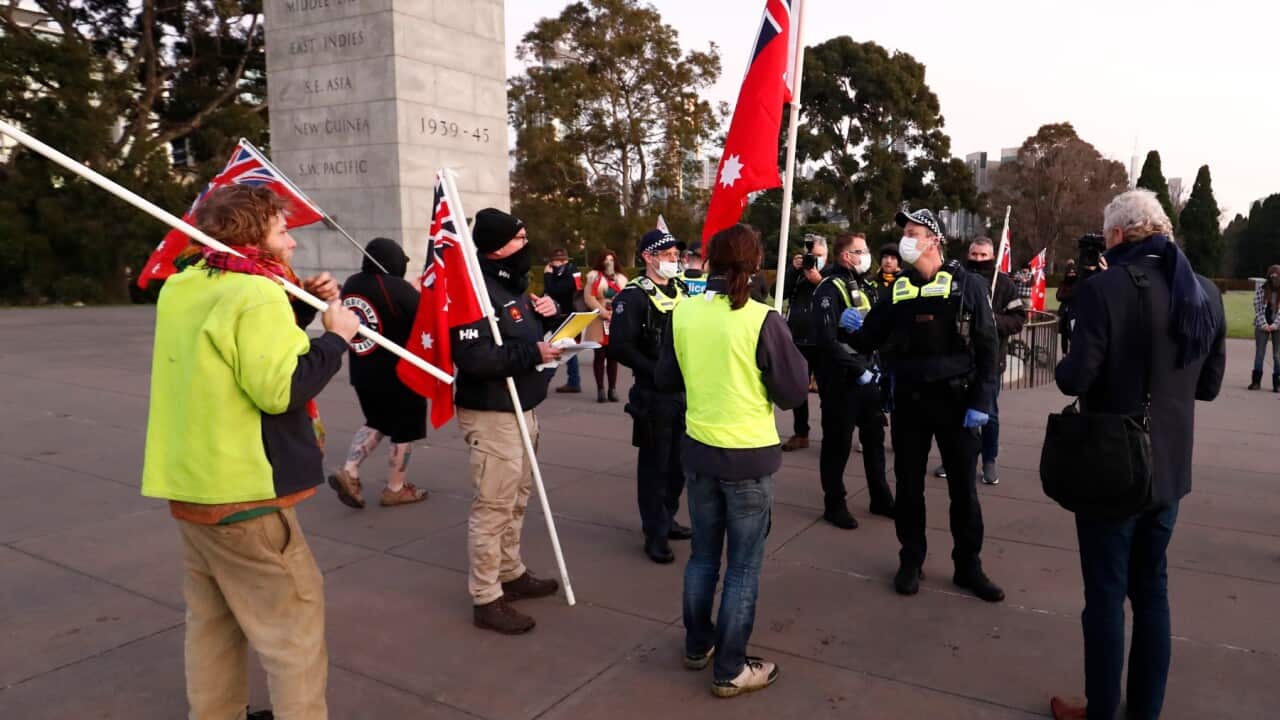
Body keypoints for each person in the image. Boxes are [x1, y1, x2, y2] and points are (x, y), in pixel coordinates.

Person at [141, 184, 361, 719]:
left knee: (213, 623)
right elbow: (280, 388)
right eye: (282, 231)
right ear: (252, 235)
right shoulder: (253, 293)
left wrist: (290, 303)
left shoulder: (184, 285)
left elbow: (232, 348)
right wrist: (335, 336)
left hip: (191, 484)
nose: (291, 243)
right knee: (294, 629)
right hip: (247, 493)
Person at [1049, 189, 1226, 720]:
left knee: (1105, 595)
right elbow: (1210, 386)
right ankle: (1144, 712)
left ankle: (1103, 711)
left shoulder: (1104, 290)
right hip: (1169, 467)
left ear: (1120, 235)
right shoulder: (1206, 293)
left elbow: (1073, 379)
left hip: (1112, 467)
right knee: (1151, 591)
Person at [656, 223, 808, 698]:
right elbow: (792, 393)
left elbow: (667, 376)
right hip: (747, 458)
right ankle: (730, 667)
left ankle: (698, 646)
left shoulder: (683, 312)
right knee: (742, 567)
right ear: (755, 262)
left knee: (703, 556)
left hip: (700, 450)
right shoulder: (763, 319)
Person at [839, 208, 1005, 603]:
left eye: (913, 233)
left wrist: (982, 400)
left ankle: (969, 566)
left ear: (934, 239)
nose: (905, 241)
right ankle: (911, 559)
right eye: (905, 234)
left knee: (963, 490)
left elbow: (988, 347)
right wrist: (850, 328)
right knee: (909, 487)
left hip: (958, 402)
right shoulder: (897, 289)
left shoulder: (967, 285)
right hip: (911, 402)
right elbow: (870, 338)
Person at [452, 208, 565, 635]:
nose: (526, 245)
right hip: (491, 411)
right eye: (519, 239)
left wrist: (549, 315)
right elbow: (474, 357)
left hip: (524, 406)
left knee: (517, 497)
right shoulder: (474, 289)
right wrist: (532, 353)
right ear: (496, 247)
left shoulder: (510, 286)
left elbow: (523, 333)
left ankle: (509, 570)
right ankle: (486, 595)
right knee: (494, 505)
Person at [610, 229, 693, 564]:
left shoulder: (683, 290)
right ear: (648, 256)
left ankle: (667, 516)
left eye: (676, 254)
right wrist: (656, 371)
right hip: (654, 394)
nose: (675, 259)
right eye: (668, 253)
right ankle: (654, 531)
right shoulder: (633, 297)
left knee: (680, 465)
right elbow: (620, 346)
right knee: (655, 466)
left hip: (686, 392)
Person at [328, 237, 429, 509]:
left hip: (363, 370)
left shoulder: (353, 284)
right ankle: (396, 488)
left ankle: (350, 471)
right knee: (405, 428)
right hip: (400, 374)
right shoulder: (397, 287)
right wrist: (416, 292)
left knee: (377, 421)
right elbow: (422, 316)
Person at [810, 232, 894, 527]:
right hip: (841, 379)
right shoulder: (828, 288)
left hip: (868, 374)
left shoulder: (866, 285)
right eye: (861, 251)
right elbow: (826, 339)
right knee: (838, 442)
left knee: (874, 438)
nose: (866, 255)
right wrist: (857, 369)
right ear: (846, 256)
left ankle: (880, 496)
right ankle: (834, 502)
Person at [964, 236, 1026, 485]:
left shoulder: (1004, 285)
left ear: (992, 255)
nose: (978, 259)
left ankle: (989, 459)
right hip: (959, 359)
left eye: (983, 255)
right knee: (958, 413)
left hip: (990, 360)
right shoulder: (960, 280)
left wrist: (990, 321)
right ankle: (959, 458)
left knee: (988, 413)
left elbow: (1018, 319)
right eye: (974, 254)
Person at [780, 235, 828, 452]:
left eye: (819, 256)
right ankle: (801, 433)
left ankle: (832, 434)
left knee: (828, 390)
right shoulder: (798, 274)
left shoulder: (831, 275)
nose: (814, 260)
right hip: (798, 338)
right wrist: (793, 270)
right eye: (811, 256)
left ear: (827, 256)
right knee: (798, 389)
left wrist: (819, 280)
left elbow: (837, 295)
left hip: (823, 339)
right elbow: (778, 292)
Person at [584, 249, 627, 403]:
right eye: (606, 260)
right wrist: (602, 311)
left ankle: (612, 389)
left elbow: (625, 297)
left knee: (613, 356)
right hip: (598, 320)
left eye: (611, 260)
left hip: (615, 319)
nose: (609, 263)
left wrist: (616, 312)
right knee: (600, 355)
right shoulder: (593, 277)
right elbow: (589, 297)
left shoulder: (621, 279)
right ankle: (600, 389)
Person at [544, 247, 583, 394]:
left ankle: (547, 378)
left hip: (564, 315)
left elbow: (554, 290)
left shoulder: (568, 274)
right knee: (565, 346)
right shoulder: (566, 272)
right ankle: (574, 380)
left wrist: (547, 276)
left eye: (560, 260)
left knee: (559, 347)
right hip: (562, 315)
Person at [1249, 265, 1280, 391]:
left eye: (1277, 276)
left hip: (1278, 326)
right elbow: (1257, 307)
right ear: (1269, 276)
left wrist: (1275, 324)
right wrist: (1264, 324)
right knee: (1259, 353)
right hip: (1262, 326)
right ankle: (1256, 382)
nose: (1274, 278)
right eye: (1272, 276)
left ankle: (1277, 384)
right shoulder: (1262, 289)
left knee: (1277, 355)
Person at [1057, 259, 1079, 354]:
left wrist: (1069, 295)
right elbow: (1059, 296)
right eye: (1070, 273)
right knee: (1064, 334)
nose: (1072, 275)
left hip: (1075, 313)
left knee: (1073, 334)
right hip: (1064, 313)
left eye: (1073, 273)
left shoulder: (1078, 284)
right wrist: (1070, 295)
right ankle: (1064, 353)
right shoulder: (1063, 283)